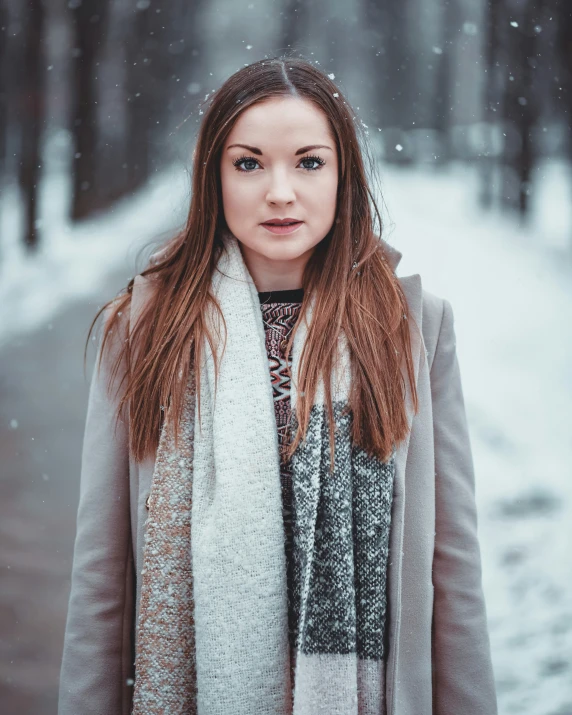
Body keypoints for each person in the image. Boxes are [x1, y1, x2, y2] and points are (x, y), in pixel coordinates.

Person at [58, 56, 497, 715]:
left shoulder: (411, 328)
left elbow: (452, 569)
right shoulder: (149, 330)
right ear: (214, 176)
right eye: (250, 162)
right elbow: (102, 578)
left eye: (309, 162)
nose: (281, 191)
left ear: (343, 174)